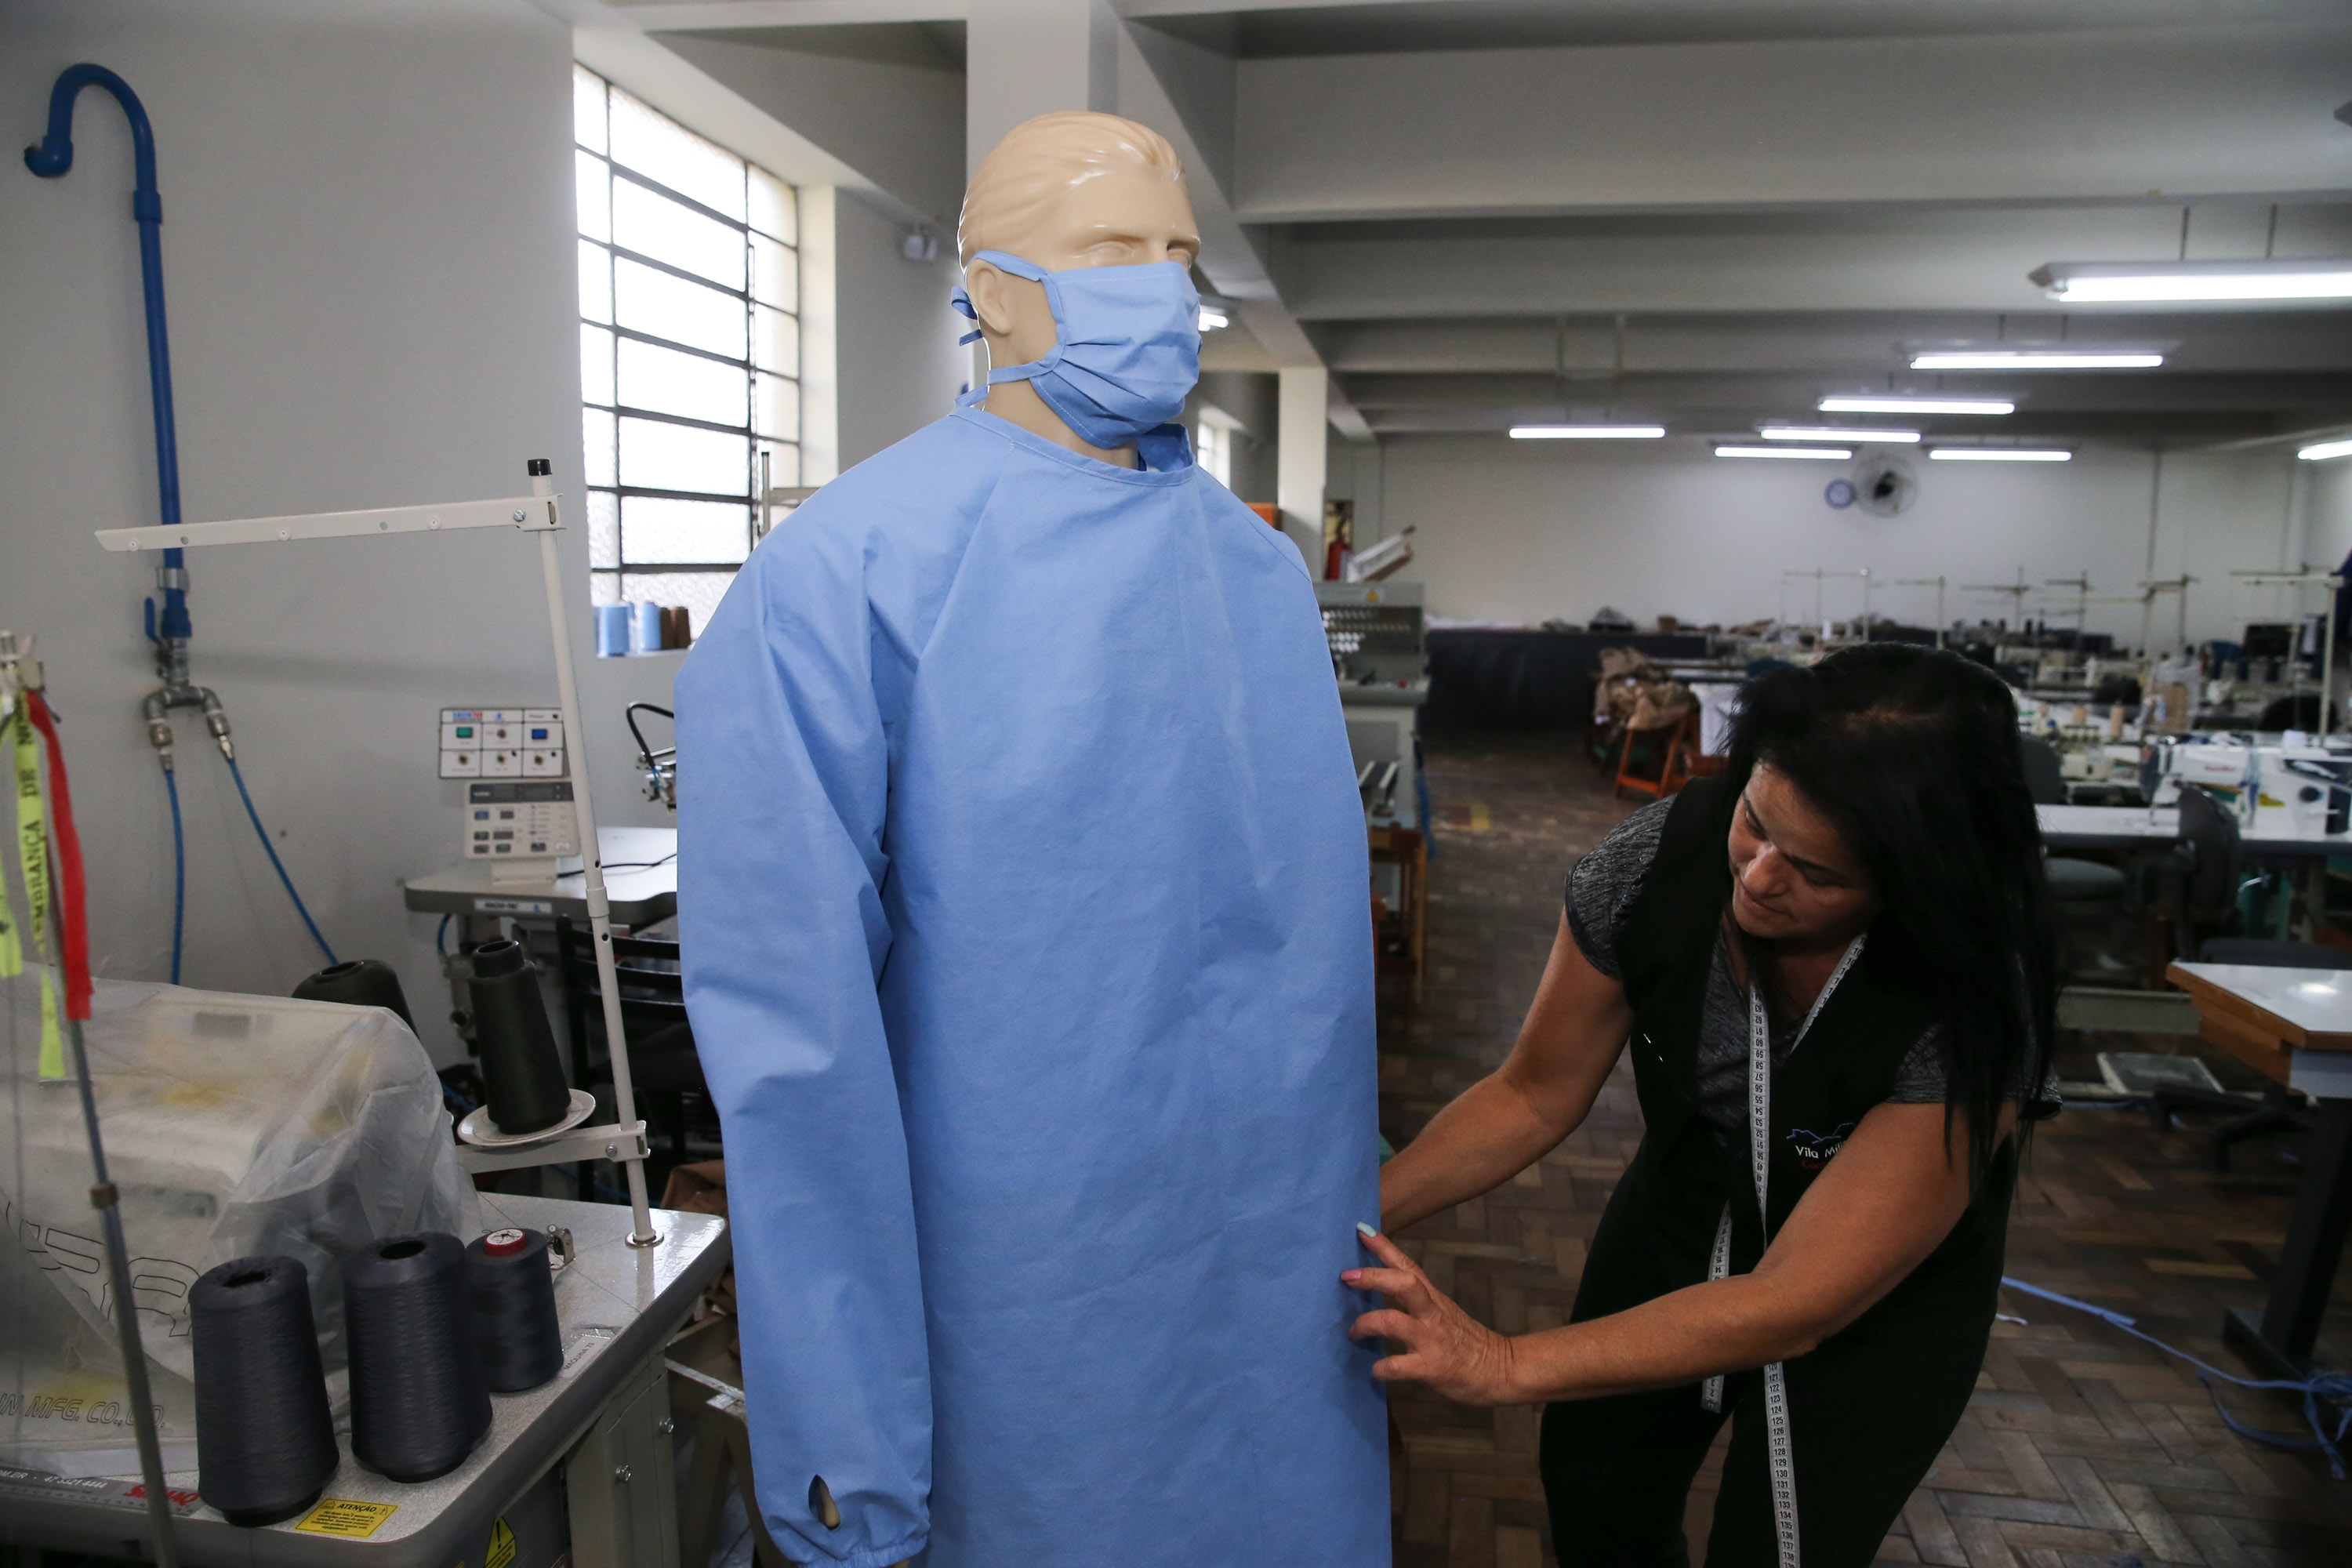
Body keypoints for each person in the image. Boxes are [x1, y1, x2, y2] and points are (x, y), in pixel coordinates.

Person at [674, 111, 1387, 1568]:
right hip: (1031, 1310)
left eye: (1177, 255)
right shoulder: (852, 572)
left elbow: (1297, 975)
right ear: (992, 291)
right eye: (1110, 251)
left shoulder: (1254, 572)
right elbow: (796, 1054)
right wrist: (845, 1451)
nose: (1159, 286)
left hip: (1274, 1281)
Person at [1351, 644, 2059, 1568]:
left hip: (1871, 1292)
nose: (1759, 876)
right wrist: (1354, 1213)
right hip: (1685, 1210)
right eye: (1754, 822)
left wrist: (1503, 1361)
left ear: (1919, 878)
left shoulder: (1976, 994)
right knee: (1597, 1491)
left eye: (1817, 872)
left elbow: (1795, 1299)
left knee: (1786, 1541)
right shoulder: (1653, 863)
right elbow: (1532, 1093)